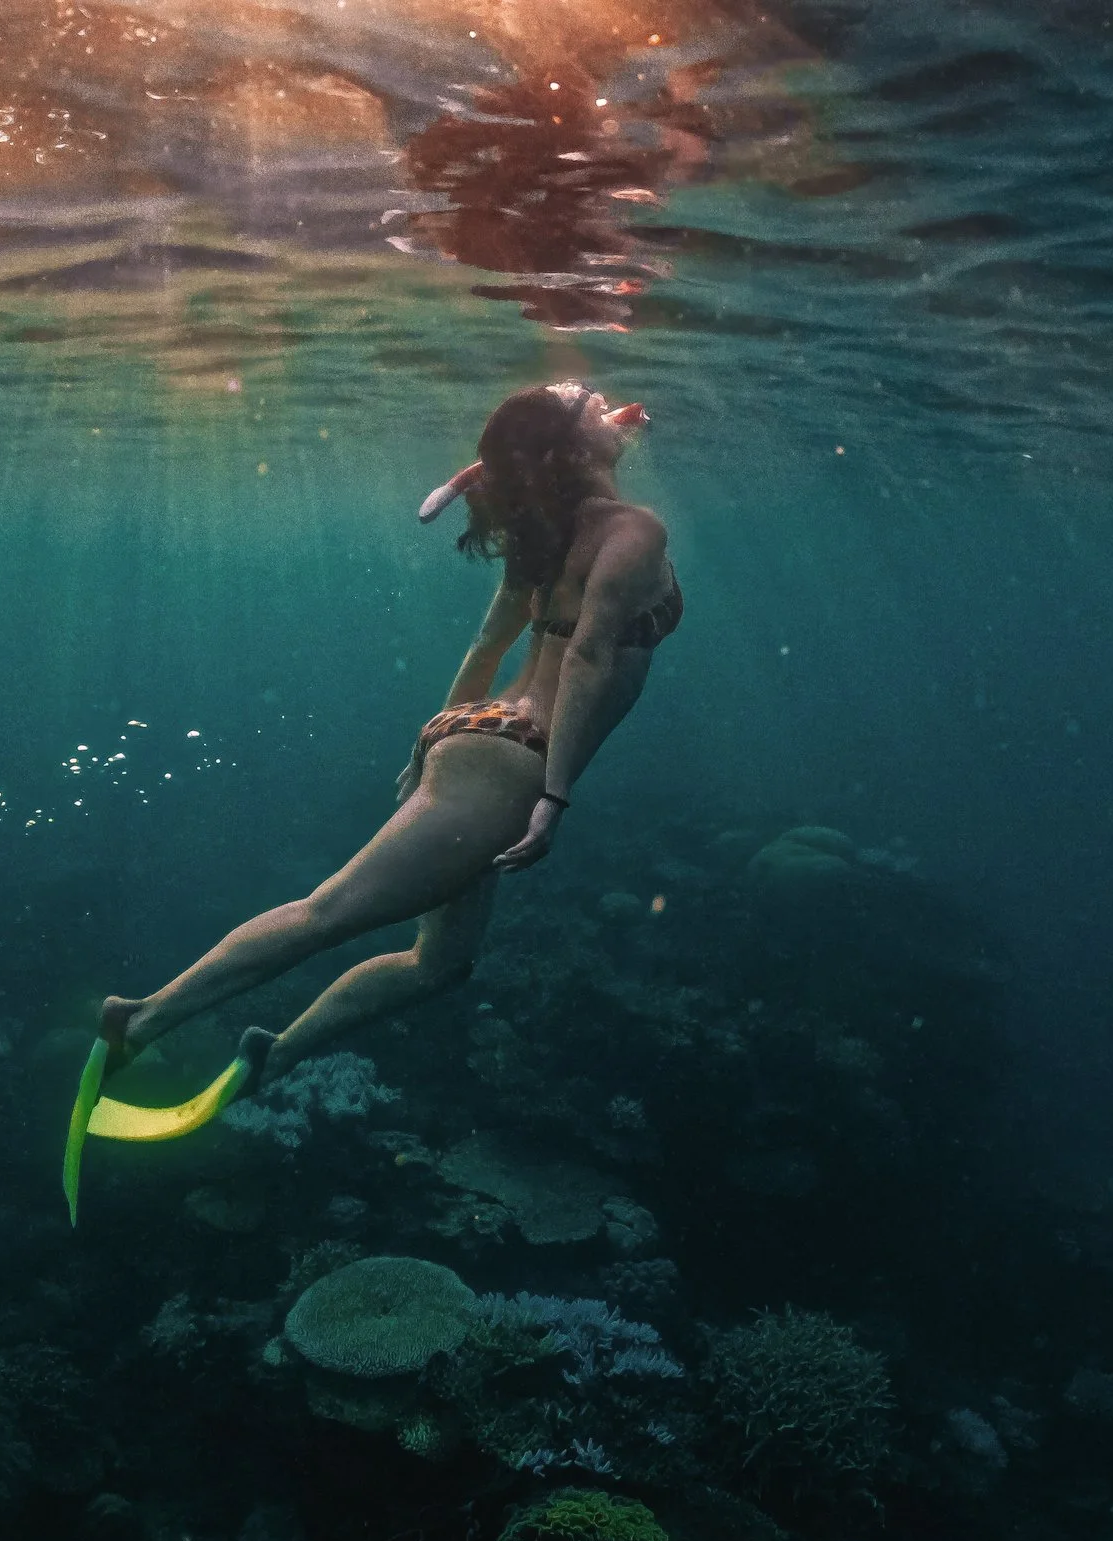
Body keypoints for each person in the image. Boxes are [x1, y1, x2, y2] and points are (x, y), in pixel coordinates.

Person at [72, 381, 680, 1175]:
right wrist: (554, 796)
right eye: (584, 400)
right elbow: (593, 657)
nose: (604, 399)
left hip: (483, 739)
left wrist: (432, 746)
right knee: (331, 911)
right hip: (515, 762)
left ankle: (275, 1053)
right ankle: (140, 1018)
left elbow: (485, 653)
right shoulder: (634, 530)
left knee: (443, 964)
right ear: (573, 449)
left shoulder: (549, 532)